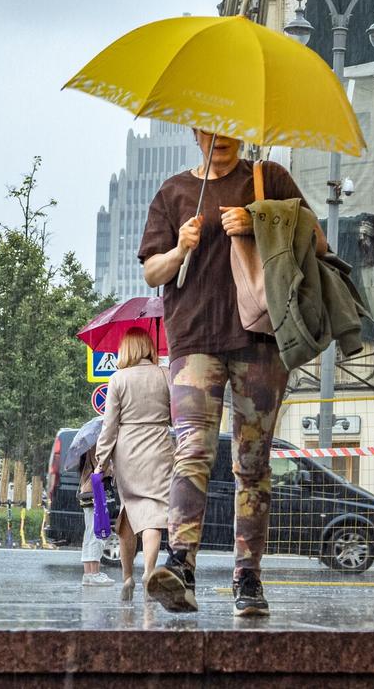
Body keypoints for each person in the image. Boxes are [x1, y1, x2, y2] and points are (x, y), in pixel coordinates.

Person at [137, 129, 309, 617]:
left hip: (259, 339)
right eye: (211, 127)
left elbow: (315, 242)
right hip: (194, 340)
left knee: (253, 465)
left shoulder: (267, 177)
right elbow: (152, 272)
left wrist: (261, 219)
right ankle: (181, 565)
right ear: (195, 132)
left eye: (231, 125)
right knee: (192, 449)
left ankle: (248, 577)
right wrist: (180, 247)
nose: (223, 135)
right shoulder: (173, 193)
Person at [95, 328, 172, 602]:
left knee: (128, 513)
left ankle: (127, 576)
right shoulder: (165, 374)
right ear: (148, 348)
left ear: (127, 349)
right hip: (159, 447)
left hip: (128, 451)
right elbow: (177, 413)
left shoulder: (118, 379)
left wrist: (101, 461)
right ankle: (149, 571)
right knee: (154, 513)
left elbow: (109, 426)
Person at [77, 445, 115, 587]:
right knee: (96, 533)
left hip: (87, 492)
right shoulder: (98, 446)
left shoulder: (87, 446)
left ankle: (88, 574)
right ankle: (94, 574)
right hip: (95, 492)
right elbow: (103, 468)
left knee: (89, 533)